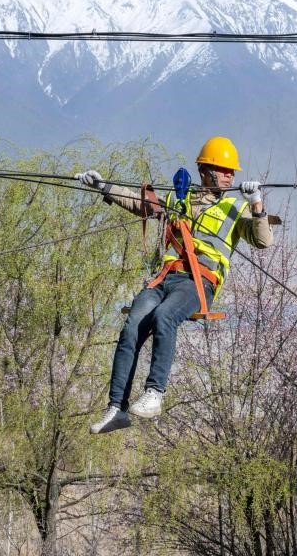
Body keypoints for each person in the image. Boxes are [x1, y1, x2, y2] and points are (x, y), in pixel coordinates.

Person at [77, 136, 274, 434]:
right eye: (224, 170)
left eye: (232, 172)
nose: (230, 176)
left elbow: (263, 240)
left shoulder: (236, 208)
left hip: (199, 283)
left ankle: (154, 393)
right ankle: (116, 408)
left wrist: (257, 203)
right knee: (132, 325)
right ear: (205, 171)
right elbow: (139, 202)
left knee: (164, 316)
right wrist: (102, 185)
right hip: (164, 278)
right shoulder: (178, 199)